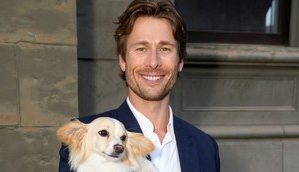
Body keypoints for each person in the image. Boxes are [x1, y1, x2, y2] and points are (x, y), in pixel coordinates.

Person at [59, 0, 220, 171]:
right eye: (141, 49)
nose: (153, 63)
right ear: (123, 60)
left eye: (165, 49)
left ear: (180, 61)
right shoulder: (83, 139)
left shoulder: (206, 147)